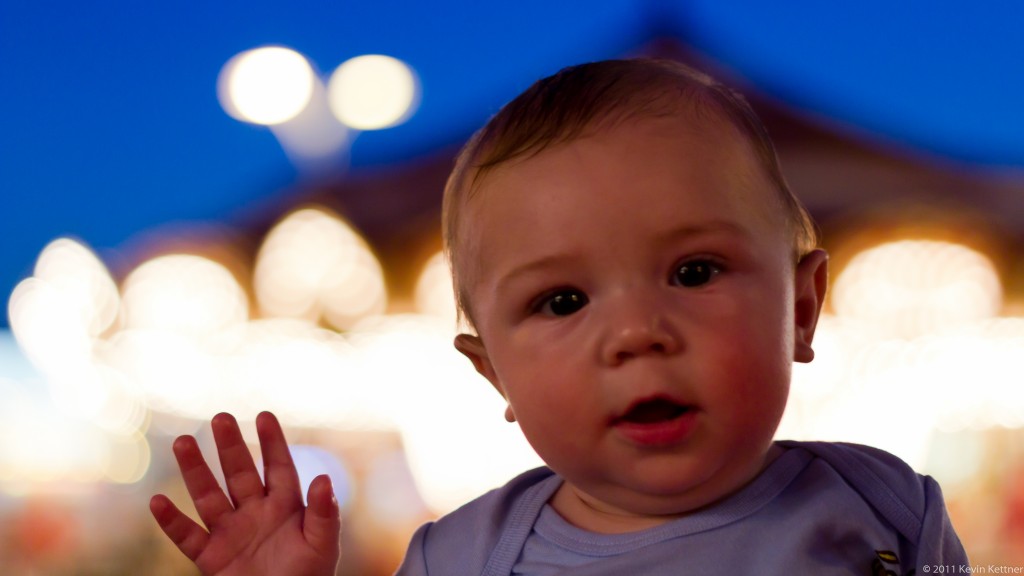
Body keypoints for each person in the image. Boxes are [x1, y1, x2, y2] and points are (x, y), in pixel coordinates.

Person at [150, 58, 968, 575]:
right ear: (493, 373)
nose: (636, 332)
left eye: (693, 272)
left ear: (800, 307)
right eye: (563, 301)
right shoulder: (462, 559)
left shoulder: (887, 506)